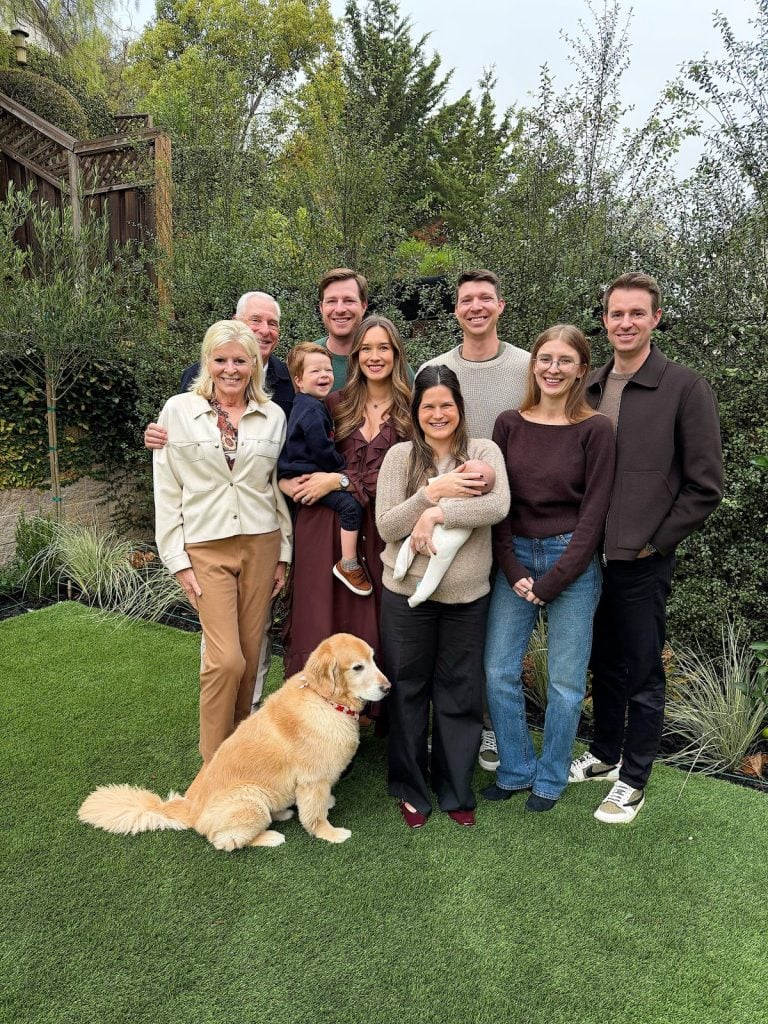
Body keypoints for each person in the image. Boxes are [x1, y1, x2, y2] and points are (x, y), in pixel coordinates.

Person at [568, 273, 723, 823]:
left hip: (640, 559)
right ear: (604, 319)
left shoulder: (684, 387)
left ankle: (633, 778)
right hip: (587, 555)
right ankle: (606, 754)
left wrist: (655, 544)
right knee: (602, 663)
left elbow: (705, 485)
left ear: (656, 318)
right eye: (616, 314)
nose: (625, 323)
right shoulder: (589, 387)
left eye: (637, 314)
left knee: (641, 670)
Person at [482, 326, 615, 812]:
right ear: (533, 364)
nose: (553, 369)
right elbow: (498, 504)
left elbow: (594, 515)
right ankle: (516, 768)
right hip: (513, 557)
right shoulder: (507, 424)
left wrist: (554, 579)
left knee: (564, 681)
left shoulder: (596, 430)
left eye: (564, 360)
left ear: (582, 368)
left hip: (571, 564)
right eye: (545, 359)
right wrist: (513, 567)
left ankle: (551, 776)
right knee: (497, 669)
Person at [153, 320, 292, 771]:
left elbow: (274, 489)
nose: (231, 369)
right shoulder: (176, 411)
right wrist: (178, 561)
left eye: (240, 360)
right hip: (205, 548)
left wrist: (283, 554)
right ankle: (215, 765)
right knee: (226, 660)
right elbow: (166, 491)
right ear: (207, 362)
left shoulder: (273, 416)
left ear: (254, 363)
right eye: (221, 359)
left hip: (261, 542)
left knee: (251, 660)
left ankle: (241, 756)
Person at [376, 365, 510, 829]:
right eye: (428, 406)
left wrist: (438, 514)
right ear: (415, 411)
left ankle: (456, 788)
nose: (438, 414)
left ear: (459, 408)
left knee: (459, 694)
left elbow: (497, 506)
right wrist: (429, 496)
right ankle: (412, 789)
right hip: (405, 595)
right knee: (408, 691)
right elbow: (387, 526)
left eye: (446, 405)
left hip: (467, 597)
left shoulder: (483, 451)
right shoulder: (399, 458)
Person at [420, 268, 529, 771]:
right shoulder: (435, 367)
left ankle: (483, 727)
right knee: (441, 622)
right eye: (467, 299)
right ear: (457, 309)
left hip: (506, 515)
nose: (476, 307)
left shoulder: (529, 367)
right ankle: (438, 725)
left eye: (486, 298)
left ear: (501, 305)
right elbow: (417, 435)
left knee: (484, 630)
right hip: (444, 514)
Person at [280, 315, 412, 681]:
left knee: (371, 617)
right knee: (320, 617)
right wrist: (286, 482)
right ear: (354, 357)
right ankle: (313, 715)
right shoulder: (333, 403)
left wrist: (337, 480)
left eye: (383, 348)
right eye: (366, 348)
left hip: (379, 529)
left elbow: (403, 476)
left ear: (397, 354)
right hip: (323, 529)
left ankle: (369, 711)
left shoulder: (412, 410)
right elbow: (292, 450)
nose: (374, 356)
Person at [278, 342, 372, 597]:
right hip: (306, 474)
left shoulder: (307, 404)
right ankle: (349, 563)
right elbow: (321, 447)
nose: (324, 376)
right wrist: (340, 469)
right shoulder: (311, 410)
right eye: (315, 372)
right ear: (298, 380)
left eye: (328, 370)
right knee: (350, 506)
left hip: (300, 471)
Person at [392, 459, 497, 607]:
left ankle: (417, 589)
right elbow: (435, 486)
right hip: (441, 533)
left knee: (436, 560)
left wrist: (434, 513)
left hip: (453, 534)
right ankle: (404, 574)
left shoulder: (477, 498)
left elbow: (496, 507)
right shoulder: (454, 483)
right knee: (420, 545)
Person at [315, 268, 370, 390]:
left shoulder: (383, 360)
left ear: (363, 306)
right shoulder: (305, 359)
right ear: (321, 308)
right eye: (331, 301)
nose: (340, 309)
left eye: (349, 300)